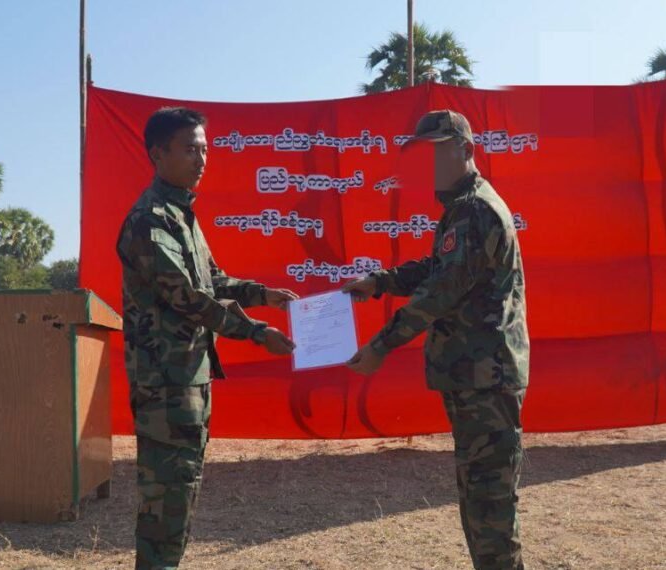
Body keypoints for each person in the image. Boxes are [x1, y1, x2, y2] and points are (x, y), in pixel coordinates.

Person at [343, 109, 530, 570]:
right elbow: (439, 269)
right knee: (479, 498)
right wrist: (382, 282)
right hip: (475, 376)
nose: (428, 164)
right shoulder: (462, 208)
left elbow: (441, 292)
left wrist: (380, 347)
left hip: (486, 378)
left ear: (466, 150)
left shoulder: (475, 209)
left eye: (438, 152)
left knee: (490, 506)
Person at [116, 106, 298, 569]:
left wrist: (263, 295)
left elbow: (212, 280)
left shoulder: (181, 216)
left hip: (188, 378)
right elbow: (188, 296)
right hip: (164, 385)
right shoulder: (149, 220)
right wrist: (256, 332)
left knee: (181, 491)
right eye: (190, 149)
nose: (202, 159)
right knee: (165, 502)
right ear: (158, 153)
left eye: (204, 149)